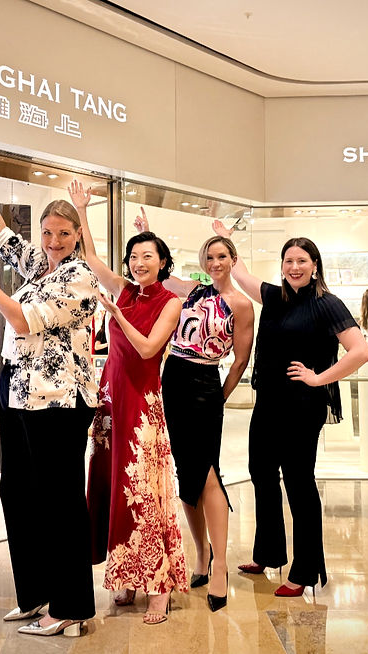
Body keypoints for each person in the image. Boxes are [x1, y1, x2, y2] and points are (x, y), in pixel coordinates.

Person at [0, 155, 99, 638]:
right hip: (19, 390)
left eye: (63, 233)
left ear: (77, 234)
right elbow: (0, 236)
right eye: (48, 233)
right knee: (17, 492)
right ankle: (36, 595)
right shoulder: (41, 265)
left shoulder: (80, 276)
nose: (54, 242)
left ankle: (73, 607)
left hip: (59, 401)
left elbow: (20, 320)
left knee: (60, 500)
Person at [212, 222, 368, 597]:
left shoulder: (326, 303)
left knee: (299, 484)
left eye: (301, 260)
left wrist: (319, 379)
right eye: (288, 260)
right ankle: (268, 553)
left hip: (302, 406)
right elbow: (241, 272)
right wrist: (224, 235)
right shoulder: (274, 296)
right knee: (261, 473)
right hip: (268, 401)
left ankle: (304, 570)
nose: (294, 266)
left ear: (315, 264)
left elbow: (360, 351)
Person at [68, 182, 187, 626]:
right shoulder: (122, 289)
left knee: (145, 492)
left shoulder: (170, 303)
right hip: (111, 400)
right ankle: (129, 574)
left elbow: (147, 350)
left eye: (148, 257)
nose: (139, 264)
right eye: (134, 257)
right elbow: (95, 260)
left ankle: (159, 587)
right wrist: (83, 210)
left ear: (162, 263)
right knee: (112, 489)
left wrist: (115, 315)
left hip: (143, 405)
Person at [136, 209, 255, 612]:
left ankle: (219, 564)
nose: (215, 263)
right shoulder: (194, 291)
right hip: (173, 379)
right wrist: (144, 233)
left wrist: (220, 395)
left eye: (222, 256)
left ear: (233, 260)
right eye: (210, 257)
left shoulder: (240, 304)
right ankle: (200, 556)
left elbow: (240, 359)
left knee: (206, 472)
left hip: (206, 384)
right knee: (186, 472)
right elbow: (161, 273)